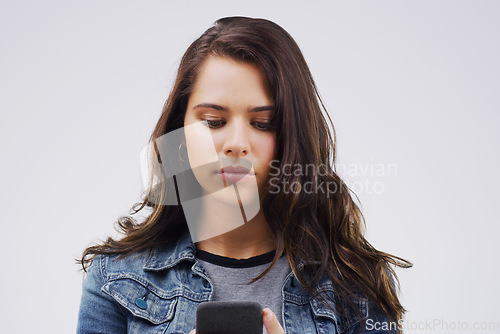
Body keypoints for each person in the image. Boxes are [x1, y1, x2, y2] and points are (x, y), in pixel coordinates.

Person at [77, 16, 412, 334]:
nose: (236, 145)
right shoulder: (115, 278)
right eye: (213, 122)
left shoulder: (354, 286)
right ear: (180, 132)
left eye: (263, 124)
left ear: (292, 136)